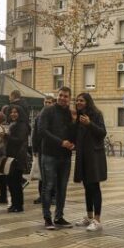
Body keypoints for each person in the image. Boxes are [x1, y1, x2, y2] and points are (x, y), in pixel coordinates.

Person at [38, 86, 75, 229]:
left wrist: (73, 143)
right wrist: (61, 142)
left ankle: (59, 217)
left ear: (69, 98)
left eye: (66, 96)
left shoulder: (70, 113)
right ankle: (47, 218)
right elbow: (42, 130)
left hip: (65, 156)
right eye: (60, 95)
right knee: (48, 187)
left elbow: (72, 132)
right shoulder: (47, 110)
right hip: (49, 155)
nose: (62, 98)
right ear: (57, 96)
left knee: (62, 188)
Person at [72, 93, 108, 231]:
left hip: (94, 156)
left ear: (88, 102)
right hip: (83, 156)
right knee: (87, 186)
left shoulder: (96, 114)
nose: (78, 102)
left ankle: (97, 219)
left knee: (94, 186)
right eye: (77, 100)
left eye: (81, 100)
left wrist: (89, 124)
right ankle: (89, 216)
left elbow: (102, 132)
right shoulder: (79, 116)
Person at [4, 106, 30, 213]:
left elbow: (19, 140)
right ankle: (14, 203)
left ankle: (18, 205)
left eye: (16, 112)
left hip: (18, 157)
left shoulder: (22, 125)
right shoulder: (13, 124)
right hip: (11, 156)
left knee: (16, 183)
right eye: (11, 112)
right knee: (11, 181)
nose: (13, 114)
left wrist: (6, 136)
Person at [31, 95, 55, 205]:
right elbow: (35, 133)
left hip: (52, 149)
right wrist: (34, 149)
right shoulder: (39, 116)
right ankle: (42, 195)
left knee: (52, 173)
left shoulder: (55, 116)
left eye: (49, 102)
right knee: (42, 174)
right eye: (46, 102)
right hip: (41, 149)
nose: (47, 104)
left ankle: (53, 196)